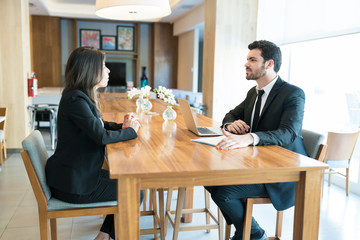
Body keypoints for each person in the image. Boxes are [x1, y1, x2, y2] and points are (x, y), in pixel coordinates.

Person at [205, 40, 308, 240]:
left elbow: (289, 132)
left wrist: (249, 138)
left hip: (281, 171)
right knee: (209, 180)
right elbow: (231, 114)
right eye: (247, 59)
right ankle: (247, 231)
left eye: (252, 59)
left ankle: (253, 234)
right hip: (256, 164)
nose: (246, 64)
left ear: (269, 64)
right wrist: (230, 126)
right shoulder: (253, 92)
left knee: (223, 192)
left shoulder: (293, 93)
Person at [45, 47, 142, 240]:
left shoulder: (78, 96)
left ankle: (103, 236)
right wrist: (129, 131)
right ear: (90, 70)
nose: (108, 71)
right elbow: (101, 136)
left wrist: (120, 126)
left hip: (75, 175)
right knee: (134, 193)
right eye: (103, 66)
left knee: (131, 186)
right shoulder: (75, 99)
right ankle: (107, 236)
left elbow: (98, 125)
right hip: (73, 184)